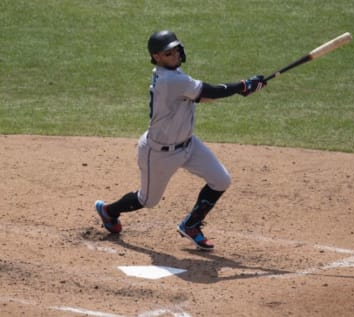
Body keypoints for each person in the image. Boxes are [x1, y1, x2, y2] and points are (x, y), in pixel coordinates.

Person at [94, 30, 266, 251]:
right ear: (156, 57)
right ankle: (108, 211)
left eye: (176, 50)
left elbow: (202, 97)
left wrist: (244, 89)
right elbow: (211, 91)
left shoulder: (176, 76)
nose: (174, 55)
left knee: (221, 180)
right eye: (168, 53)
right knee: (148, 200)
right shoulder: (170, 80)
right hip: (159, 153)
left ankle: (191, 225)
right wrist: (243, 86)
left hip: (189, 145)